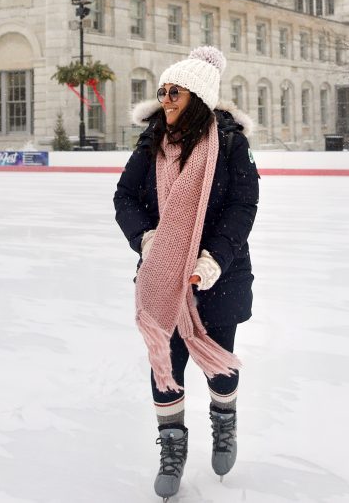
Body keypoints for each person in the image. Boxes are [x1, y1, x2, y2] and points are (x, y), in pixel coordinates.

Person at [114, 45, 259, 500]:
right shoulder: (152, 141)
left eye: (174, 91)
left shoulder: (231, 142)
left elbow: (243, 205)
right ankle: (172, 446)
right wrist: (147, 238)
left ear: (197, 95)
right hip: (162, 276)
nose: (165, 99)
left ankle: (224, 421)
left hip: (220, 274)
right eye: (162, 91)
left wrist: (213, 258)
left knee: (220, 367)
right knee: (166, 368)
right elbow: (124, 198)